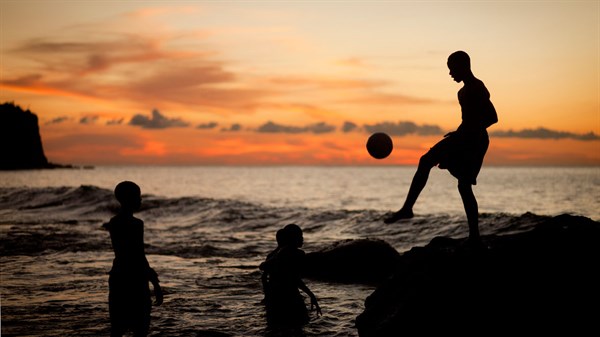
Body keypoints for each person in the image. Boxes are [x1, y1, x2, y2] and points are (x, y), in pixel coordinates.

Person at [384, 51, 498, 246]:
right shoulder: (462, 91)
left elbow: (492, 117)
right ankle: (408, 209)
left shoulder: (476, 88)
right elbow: (470, 119)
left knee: (462, 184)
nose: (450, 73)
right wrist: (460, 132)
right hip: (464, 136)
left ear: (464, 66)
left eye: (452, 69)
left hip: (474, 140)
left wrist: (466, 134)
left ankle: (474, 236)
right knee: (430, 163)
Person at [103, 181, 163, 337]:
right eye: (138, 196)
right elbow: (138, 255)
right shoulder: (136, 224)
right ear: (130, 199)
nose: (141, 200)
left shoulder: (114, 222)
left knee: (117, 328)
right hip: (135, 278)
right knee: (141, 328)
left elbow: (123, 253)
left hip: (118, 276)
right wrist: (155, 282)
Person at [259, 224, 322, 327]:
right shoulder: (297, 254)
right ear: (292, 238)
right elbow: (294, 279)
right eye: (300, 236)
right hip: (291, 297)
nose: (302, 239)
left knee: (275, 328)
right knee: (300, 326)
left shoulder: (272, 255)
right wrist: (311, 295)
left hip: (275, 299)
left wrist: (267, 296)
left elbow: (264, 277)